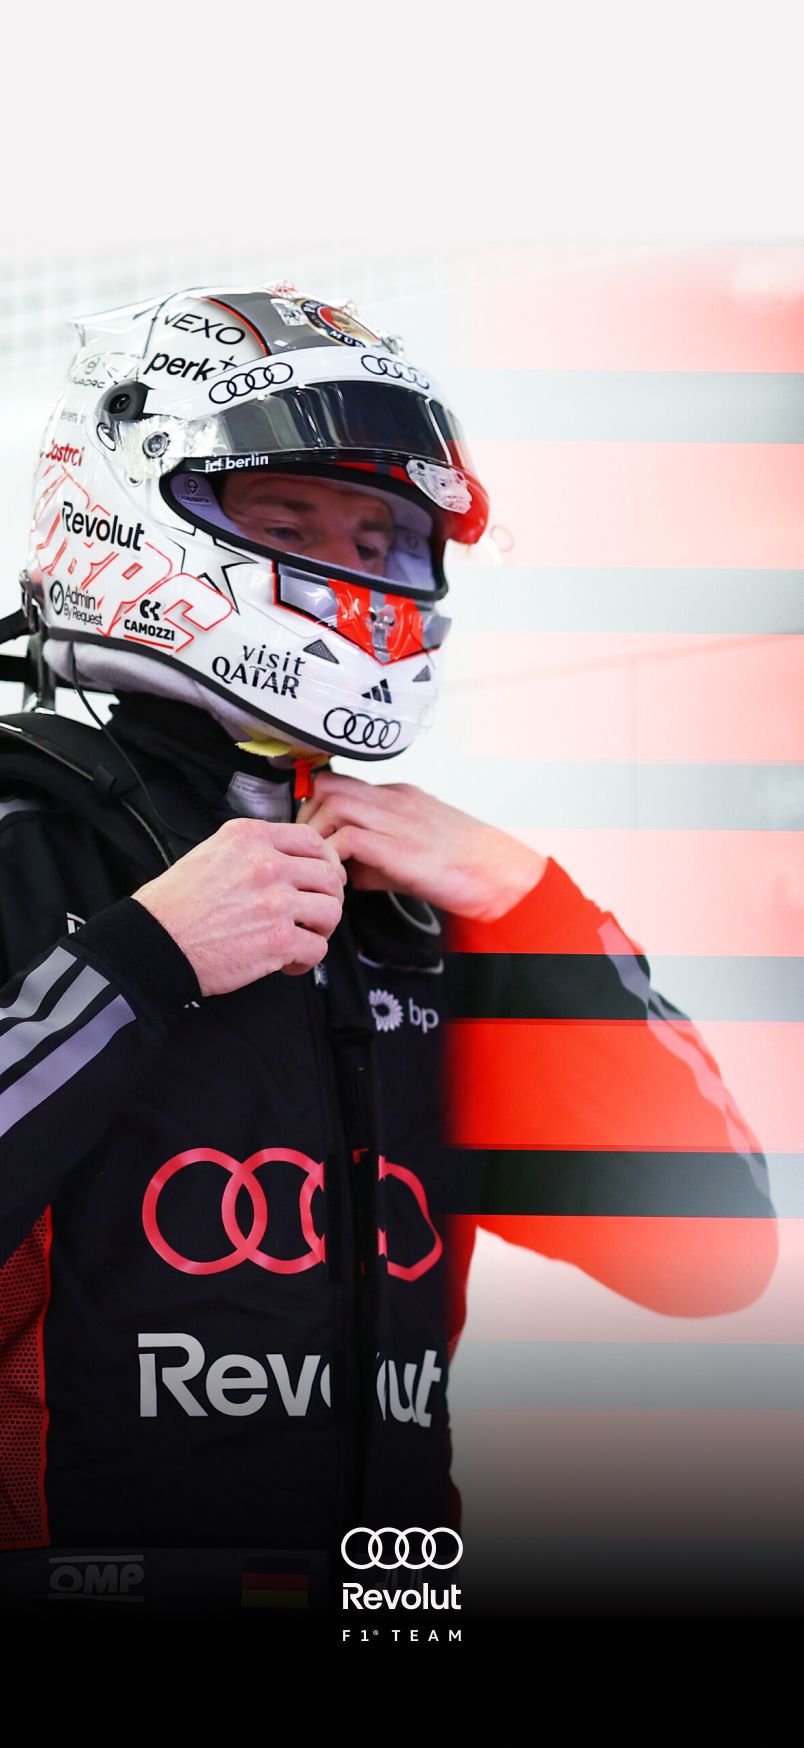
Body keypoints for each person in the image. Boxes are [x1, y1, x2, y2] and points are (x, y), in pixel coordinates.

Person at [0, 283, 777, 1614]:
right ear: (134, 504)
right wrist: (139, 962)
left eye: (384, 532)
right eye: (286, 522)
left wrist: (533, 904)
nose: (350, 565)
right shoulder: (26, 835)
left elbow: (707, 1253)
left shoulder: (420, 903)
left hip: (394, 1603)